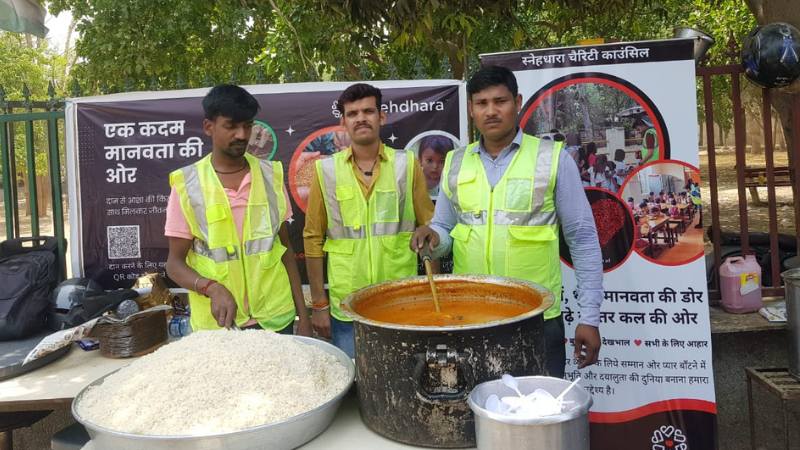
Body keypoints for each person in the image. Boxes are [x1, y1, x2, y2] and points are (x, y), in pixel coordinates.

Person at [411, 66, 603, 378]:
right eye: (481, 103)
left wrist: (590, 317)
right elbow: (445, 230)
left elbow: (582, 239)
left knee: (538, 413)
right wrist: (432, 237)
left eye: (499, 101)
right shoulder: (456, 162)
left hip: (535, 320)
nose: (491, 111)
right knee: (474, 412)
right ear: (471, 109)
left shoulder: (551, 158)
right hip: (470, 317)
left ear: (518, 102)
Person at [165, 85, 311, 335]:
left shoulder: (270, 175)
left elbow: (286, 251)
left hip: (276, 319)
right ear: (209, 127)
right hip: (220, 326)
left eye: (247, 125)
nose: (242, 134)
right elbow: (174, 264)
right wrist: (211, 287)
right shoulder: (187, 185)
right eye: (231, 126)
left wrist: (304, 318)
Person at [303, 83, 435, 357]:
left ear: (382, 117)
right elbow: (313, 238)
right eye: (352, 113)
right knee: (354, 382)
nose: (361, 118)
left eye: (368, 111)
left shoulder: (407, 164)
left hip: (400, 299)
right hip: (348, 304)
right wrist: (319, 304)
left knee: (404, 376)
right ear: (343, 122)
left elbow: (431, 229)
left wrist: (433, 297)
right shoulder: (325, 170)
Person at [418, 135, 454, 199]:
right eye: (429, 161)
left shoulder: (450, 184)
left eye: (442, 162)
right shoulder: (416, 181)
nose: (435, 166)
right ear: (420, 160)